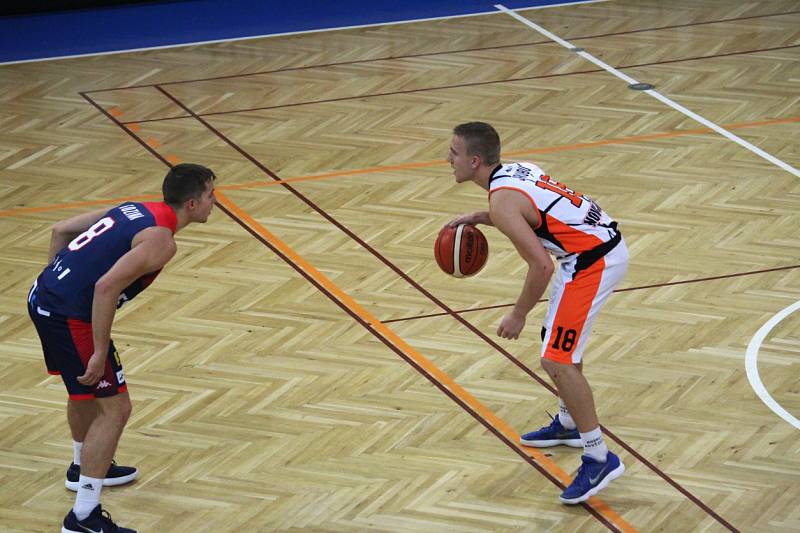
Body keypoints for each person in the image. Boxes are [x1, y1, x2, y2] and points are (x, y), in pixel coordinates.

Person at [27, 163, 216, 533]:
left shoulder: (135, 208)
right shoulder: (162, 241)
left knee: (84, 394)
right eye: (211, 195)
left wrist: (56, 286)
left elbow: (60, 229)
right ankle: (82, 518)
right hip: (69, 316)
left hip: (41, 298)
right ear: (191, 204)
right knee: (115, 409)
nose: (216, 202)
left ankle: (83, 467)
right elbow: (105, 288)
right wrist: (98, 352)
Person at [445, 122, 627, 504]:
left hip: (593, 262)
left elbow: (540, 266)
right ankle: (569, 422)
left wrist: (518, 314)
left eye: (454, 153)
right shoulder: (516, 171)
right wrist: (482, 216)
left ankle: (599, 456)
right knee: (558, 344)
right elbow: (531, 213)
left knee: (556, 359)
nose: (449, 159)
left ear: (474, 160)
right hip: (587, 251)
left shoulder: (503, 199)